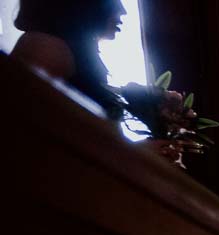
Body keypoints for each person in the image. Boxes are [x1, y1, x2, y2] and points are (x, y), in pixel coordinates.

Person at [11, 0, 183, 163]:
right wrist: (133, 154)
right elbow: (31, 146)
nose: (123, 11)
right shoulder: (45, 48)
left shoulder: (74, 50)